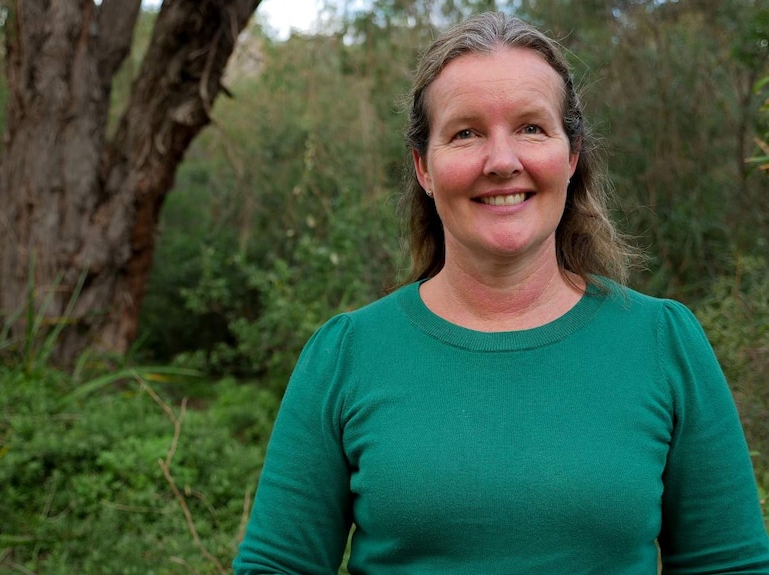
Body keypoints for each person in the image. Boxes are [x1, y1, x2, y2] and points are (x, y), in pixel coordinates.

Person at [233, 11, 769, 574]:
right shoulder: (345, 354)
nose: (502, 161)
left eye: (532, 128)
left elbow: (729, 566)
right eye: (465, 133)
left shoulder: (664, 342)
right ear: (424, 168)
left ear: (572, 155)